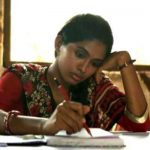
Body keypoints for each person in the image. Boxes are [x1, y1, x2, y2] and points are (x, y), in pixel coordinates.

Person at [0, 13, 149, 135]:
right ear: (59, 44)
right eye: (80, 54)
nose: (84, 69)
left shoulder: (97, 87)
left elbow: (140, 126)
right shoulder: (22, 77)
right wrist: (43, 126)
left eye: (95, 64)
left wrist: (125, 61)